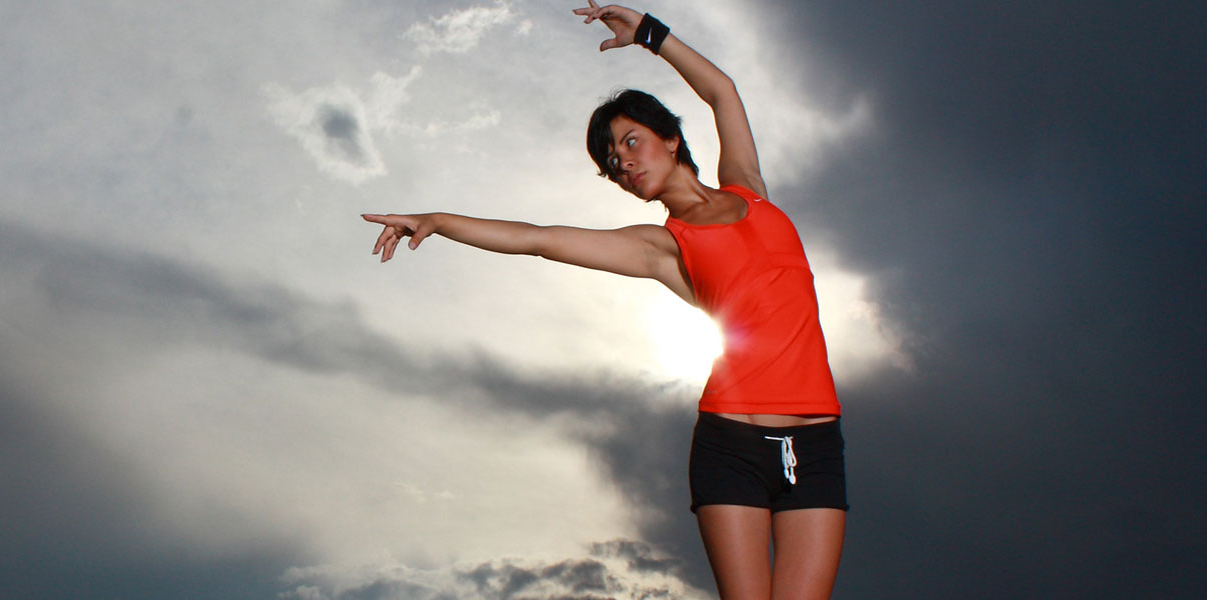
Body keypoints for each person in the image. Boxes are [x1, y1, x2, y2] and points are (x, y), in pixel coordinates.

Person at [361, 3, 846, 598]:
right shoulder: (663, 248)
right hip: (733, 446)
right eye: (612, 163)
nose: (623, 162)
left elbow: (722, 92)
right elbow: (540, 240)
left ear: (671, 139)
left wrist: (648, 34)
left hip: (818, 444)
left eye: (630, 142)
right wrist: (435, 220)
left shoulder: (751, 189)